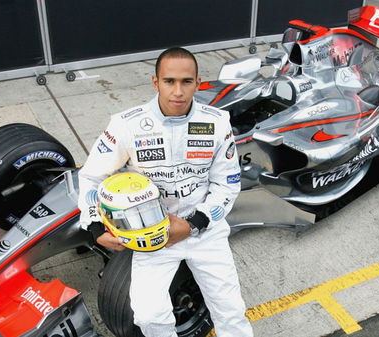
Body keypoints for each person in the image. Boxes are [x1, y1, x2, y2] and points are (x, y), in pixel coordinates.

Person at [77, 47, 253, 337]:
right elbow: (92, 176)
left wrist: (194, 224)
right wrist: (96, 227)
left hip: (205, 229)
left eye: (186, 81)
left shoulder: (217, 122)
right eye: (169, 81)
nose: (178, 91)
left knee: (230, 311)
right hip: (151, 234)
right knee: (148, 315)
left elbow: (228, 184)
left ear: (198, 83)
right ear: (155, 82)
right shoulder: (126, 125)